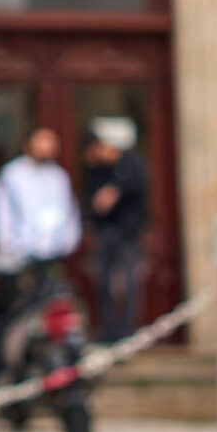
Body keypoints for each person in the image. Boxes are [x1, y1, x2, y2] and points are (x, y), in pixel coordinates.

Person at [0, 125, 81, 376]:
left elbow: (68, 211)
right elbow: (3, 215)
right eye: (42, 142)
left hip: (52, 256)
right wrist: (10, 247)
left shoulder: (58, 176)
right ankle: (4, 368)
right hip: (21, 258)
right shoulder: (12, 175)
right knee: (13, 310)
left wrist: (67, 242)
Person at [83, 117, 149, 344]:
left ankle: (126, 332)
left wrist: (115, 190)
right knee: (104, 283)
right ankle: (109, 331)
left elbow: (137, 187)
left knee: (126, 285)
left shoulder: (130, 167)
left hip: (126, 235)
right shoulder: (98, 170)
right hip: (105, 234)